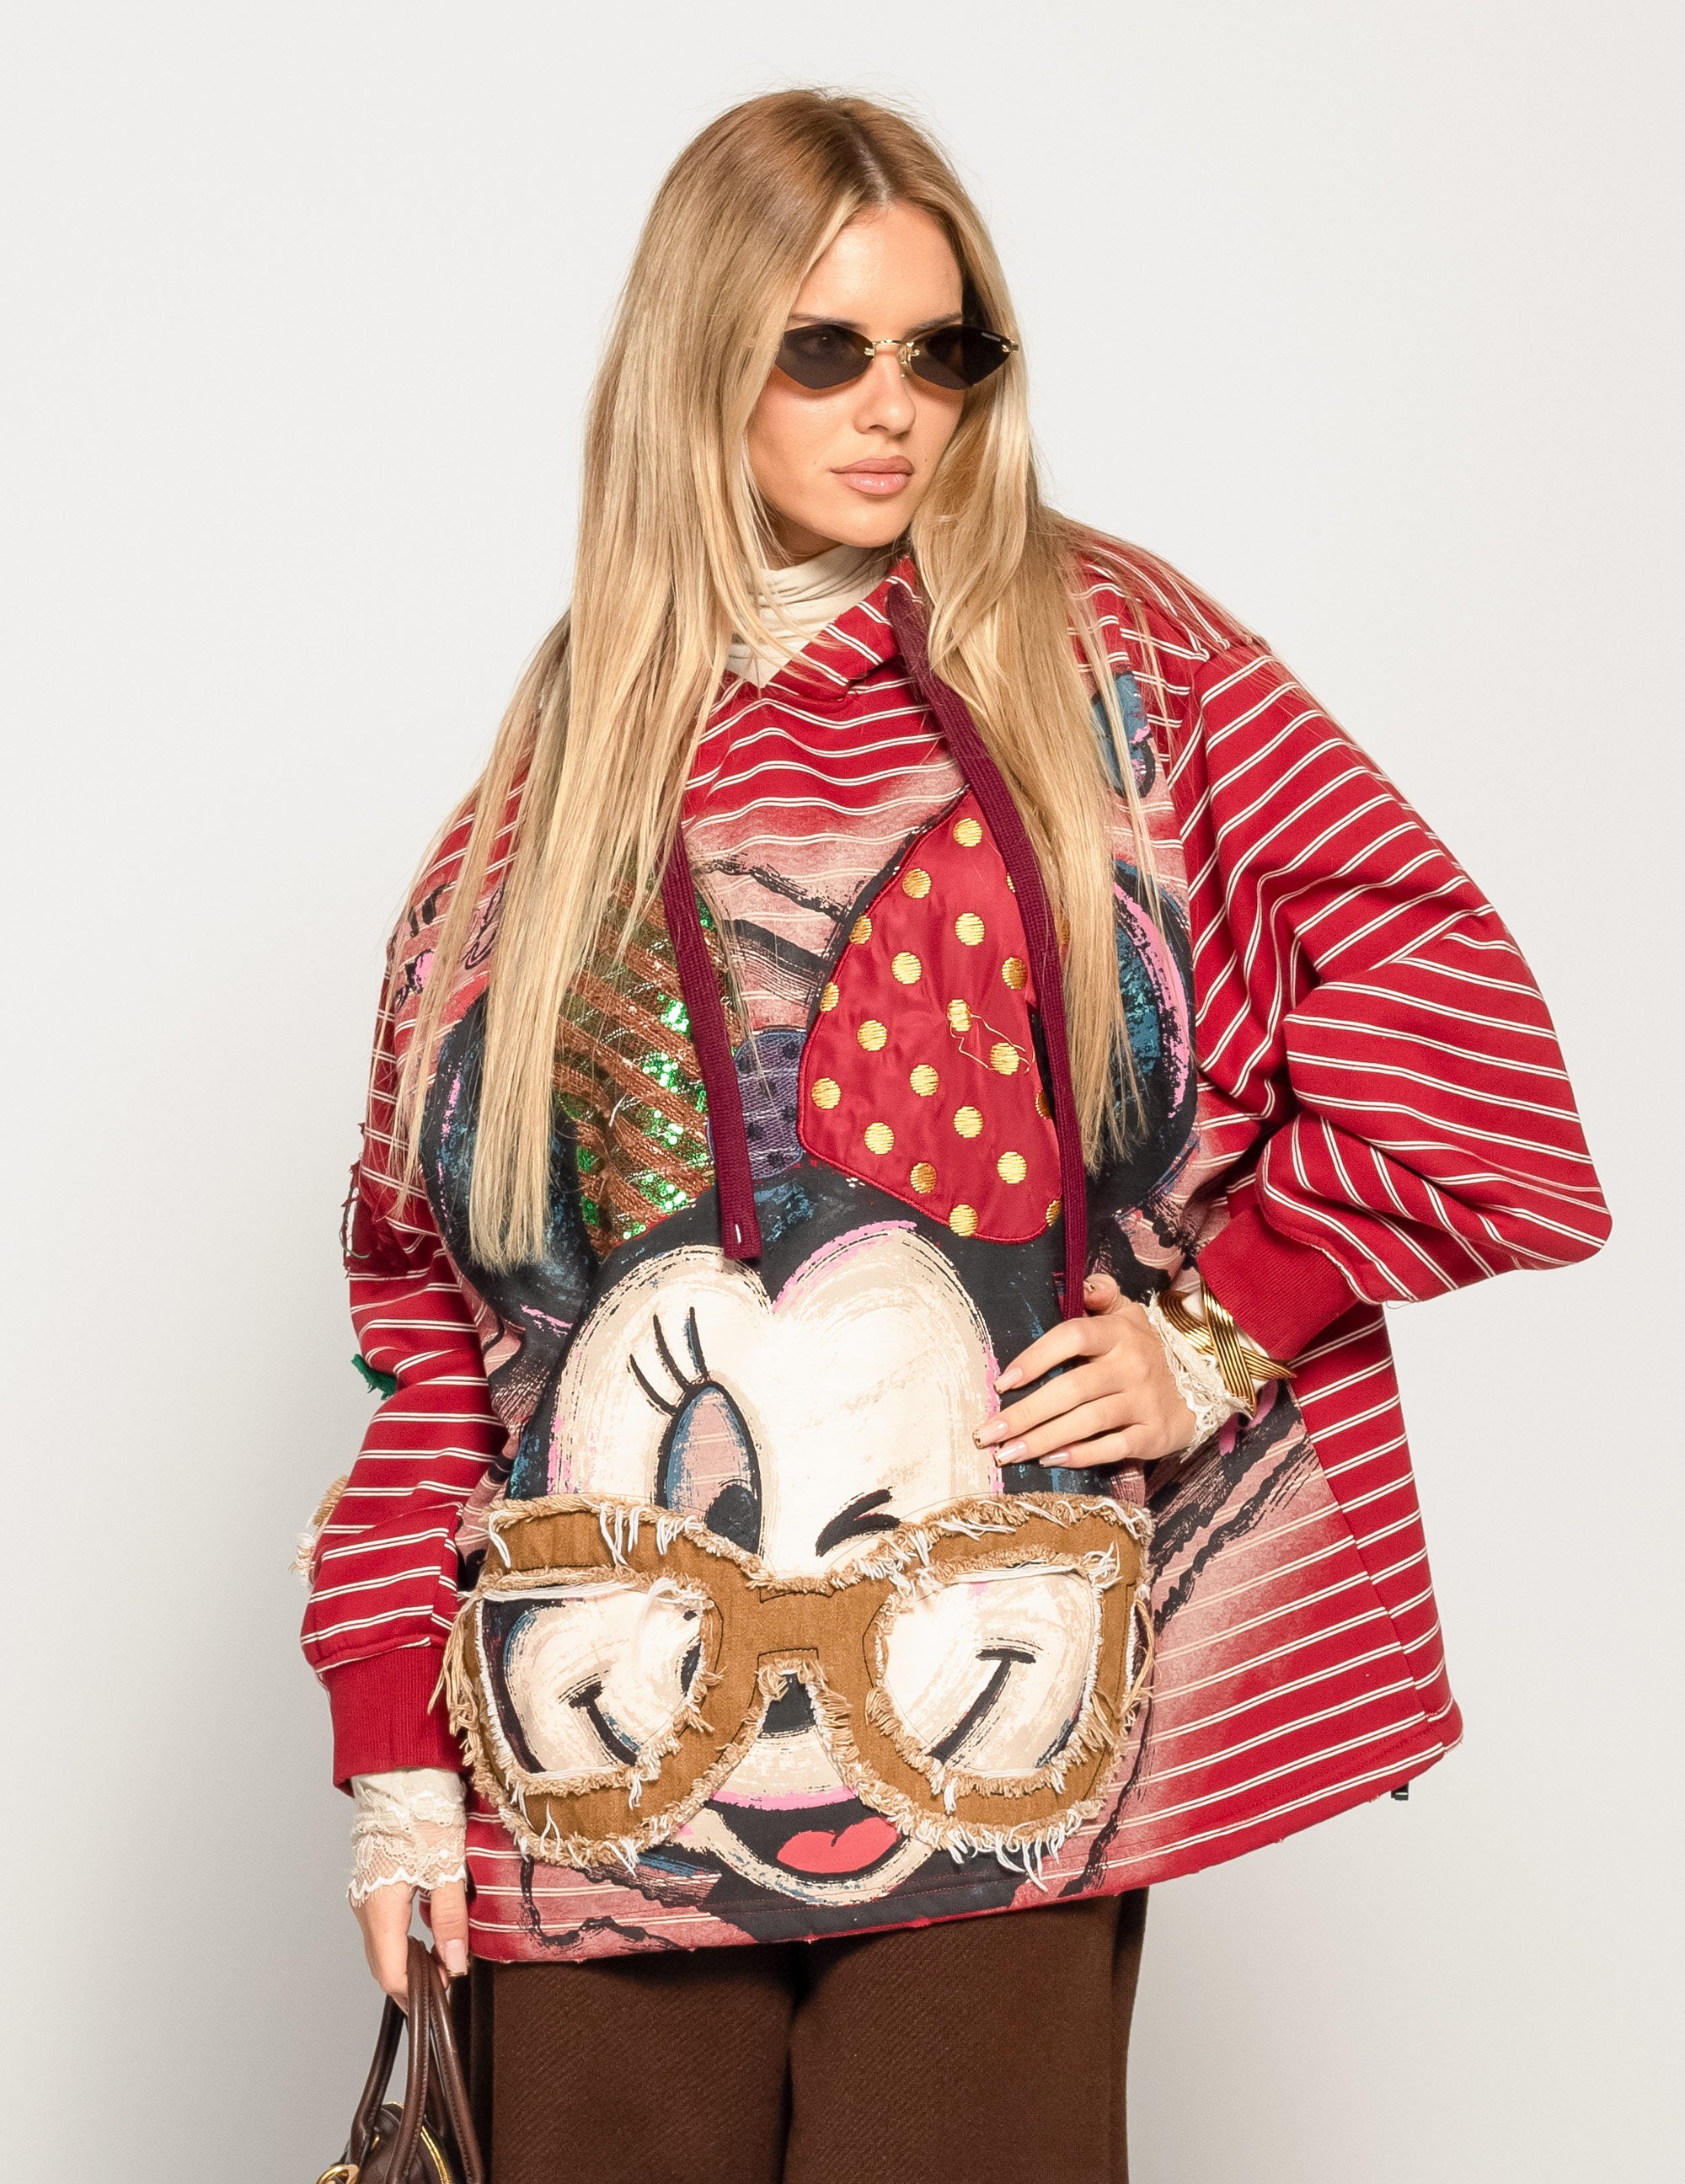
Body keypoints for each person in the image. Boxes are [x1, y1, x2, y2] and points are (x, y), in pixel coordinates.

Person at [300, 88, 1608, 2184]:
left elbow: (1441, 1001)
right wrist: (396, 1762)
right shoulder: (557, 770)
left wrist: (1219, 1329)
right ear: (700, 357)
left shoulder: (1116, 665)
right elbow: (437, 1318)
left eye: (945, 349)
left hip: (996, 1713)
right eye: (824, 348)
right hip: (596, 1750)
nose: (894, 405)